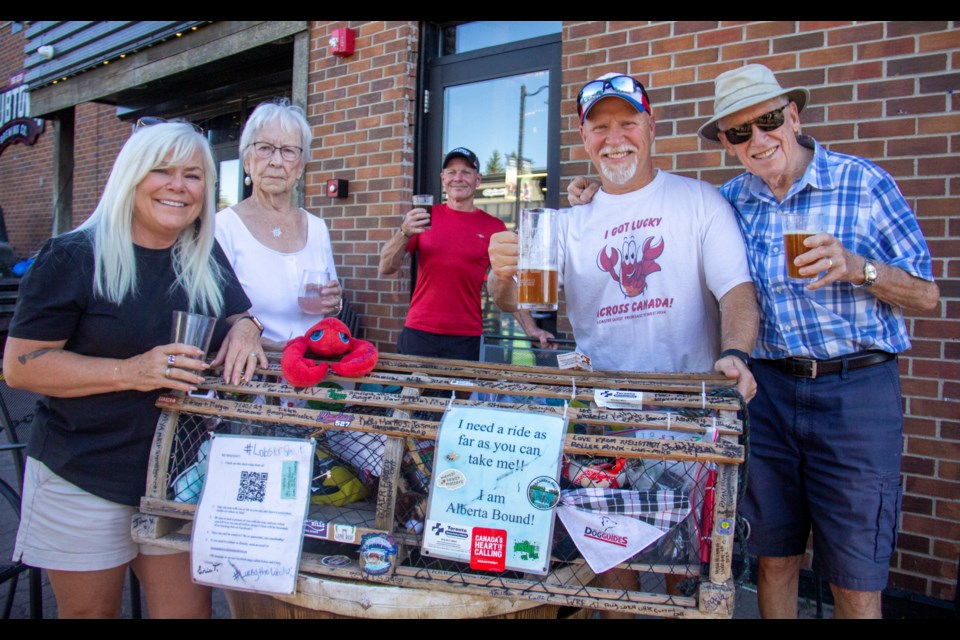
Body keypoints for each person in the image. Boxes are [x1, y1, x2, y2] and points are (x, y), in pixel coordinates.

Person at [693, 63, 939, 619]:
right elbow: (664, 210)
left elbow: (928, 296)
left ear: (794, 116)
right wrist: (593, 194)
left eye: (769, 120)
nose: (758, 139)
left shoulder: (864, 183)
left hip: (856, 392)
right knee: (772, 557)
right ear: (730, 146)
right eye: (739, 132)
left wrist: (859, 268)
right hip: (772, 392)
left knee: (854, 574)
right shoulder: (729, 201)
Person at [3, 121, 265, 618]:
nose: (178, 186)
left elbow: (238, 311)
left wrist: (247, 327)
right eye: (161, 171)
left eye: (192, 175)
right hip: (83, 469)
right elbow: (20, 367)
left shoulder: (201, 253)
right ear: (130, 176)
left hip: (177, 474)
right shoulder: (73, 255)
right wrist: (131, 371)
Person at [492, 73, 758, 401]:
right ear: (584, 136)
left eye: (628, 123)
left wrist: (736, 351)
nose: (615, 139)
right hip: (599, 407)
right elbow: (508, 298)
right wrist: (502, 273)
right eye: (600, 128)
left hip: (692, 401)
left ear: (651, 126)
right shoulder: (562, 225)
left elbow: (736, 290)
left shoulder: (701, 200)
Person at [379, 146, 552, 361]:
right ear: (443, 179)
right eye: (451, 172)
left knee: (459, 395)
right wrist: (403, 232)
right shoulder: (424, 217)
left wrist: (531, 329)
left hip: (466, 336)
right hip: (419, 331)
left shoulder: (493, 227)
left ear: (477, 180)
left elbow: (507, 282)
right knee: (415, 394)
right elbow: (386, 267)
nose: (458, 178)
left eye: (466, 172)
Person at [216, 99, 342, 349]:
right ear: (247, 159)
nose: (275, 161)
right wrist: (278, 349)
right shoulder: (223, 227)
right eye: (265, 148)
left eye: (288, 151)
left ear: (300, 167)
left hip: (311, 370)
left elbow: (329, 311)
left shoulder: (316, 227)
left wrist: (335, 302)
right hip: (254, 373)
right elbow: (216, 314)